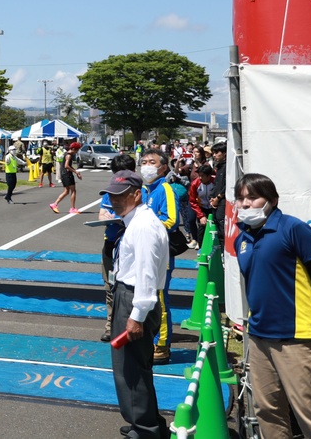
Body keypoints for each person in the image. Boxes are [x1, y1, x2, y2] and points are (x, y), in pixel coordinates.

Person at [234, 172, 311, 439]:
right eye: (240, 198)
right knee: (267, 410)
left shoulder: (293, 229)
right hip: (259, 336)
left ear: (272, 200)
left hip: (297, 336)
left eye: (253, 197)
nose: (245, 204)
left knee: (310, 414)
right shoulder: (242, 238)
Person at [103, 169, 169, 439]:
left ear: (136, 194)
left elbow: (145, 274)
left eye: (120, 195)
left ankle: (145, 429)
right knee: (134, 367)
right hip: (130, 295)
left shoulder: (141, 226)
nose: (114, 200)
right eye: (110, 195)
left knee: (131, 369)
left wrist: (136, 315)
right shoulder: (138, 221)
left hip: (134, 298)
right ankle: (144, 421)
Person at [139, 147, 180, 364]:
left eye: (151, 162)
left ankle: (162, 345)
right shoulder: (144, 190)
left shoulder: (165, 189)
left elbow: (171, 220)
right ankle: (148, 338)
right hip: (142, 251)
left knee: (159, 300)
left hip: (159, 254)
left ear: (163, 167)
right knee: (144, 296)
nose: (146, 166)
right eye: (143, 161)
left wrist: (144, 227)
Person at [98, 153, 137, 341]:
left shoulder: (141, 192)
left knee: (131, 288)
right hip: (111, 244)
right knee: (110, 287)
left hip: (132, 246)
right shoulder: (109, 192)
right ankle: (110, 326)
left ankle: (134, 323)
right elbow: (102, 214)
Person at [50, 142, 83, 214]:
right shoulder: (69, 155)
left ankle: (54, 204)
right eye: (77, 150)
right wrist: (75, 172)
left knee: (66, 191)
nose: (77, 152)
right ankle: (72, 208)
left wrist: (75, 171)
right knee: (73, 191)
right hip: (67, 174)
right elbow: (66, 166)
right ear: (73, 149)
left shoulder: (66, 154)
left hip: (64, 174)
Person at [187, 163, 216, 245]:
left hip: (213, 207)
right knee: (202, 227)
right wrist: (201, 215)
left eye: (202, 176)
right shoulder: (195, 184)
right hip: (201, 207)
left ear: (209, 176)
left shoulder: (215, 181)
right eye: (199, 175)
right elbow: (192, 201)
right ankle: (201, 247)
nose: (200, 178)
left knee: (215, 226)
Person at [209, 141, 228, 245]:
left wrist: (218, 197)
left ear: (224, 153)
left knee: (222, 227)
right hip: (216, 201)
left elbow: (227, 186)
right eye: (213, 153)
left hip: (222, 201)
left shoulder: (227, 167)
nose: (214, 155)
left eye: (217, 153)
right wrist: (212, 197)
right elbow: (216, 185)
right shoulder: (219, 167)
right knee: (216, 226)